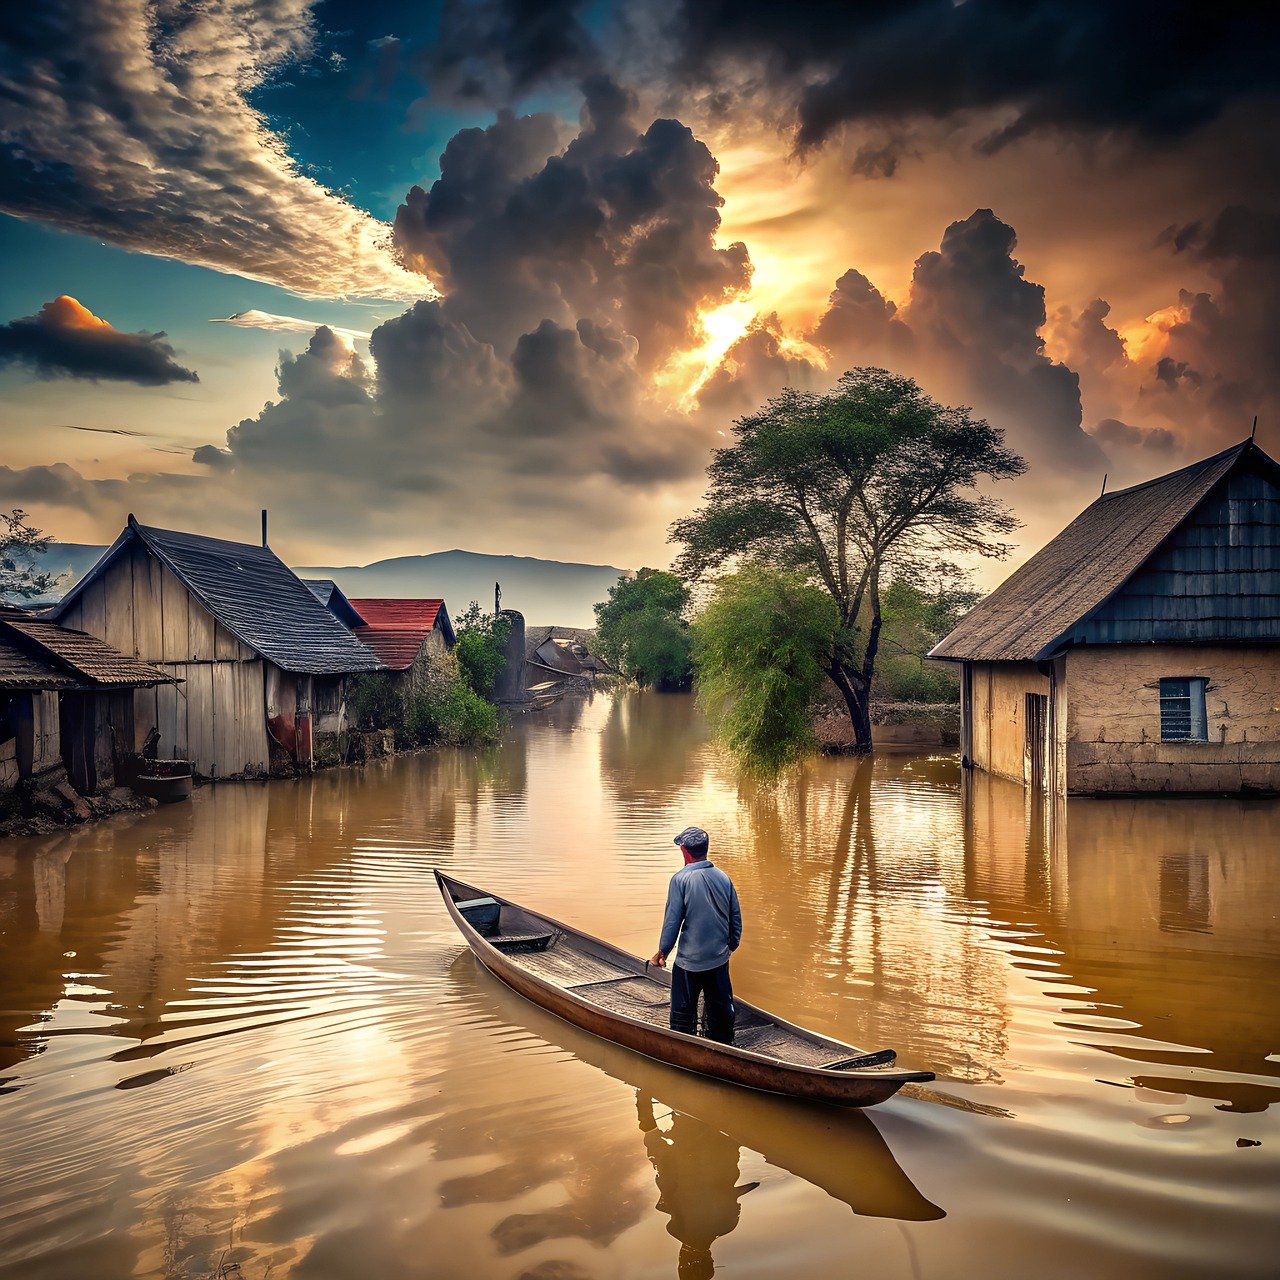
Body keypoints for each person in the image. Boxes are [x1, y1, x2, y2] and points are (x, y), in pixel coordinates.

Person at [649, 825, 742, 1044]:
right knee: (720, 1013)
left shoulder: (680, 880)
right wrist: (730, 947)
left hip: (689, 963)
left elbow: (672, 921)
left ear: (684, 850)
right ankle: (723, 1042)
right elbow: (735, 918)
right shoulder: (723, 877)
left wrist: (662, 951)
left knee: (682, 1017)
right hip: (719, 957)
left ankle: (683, 1044)